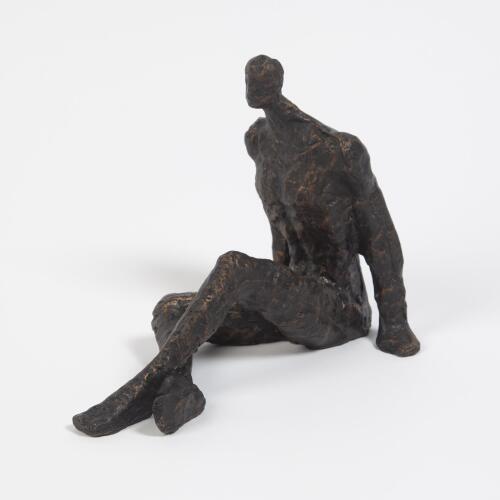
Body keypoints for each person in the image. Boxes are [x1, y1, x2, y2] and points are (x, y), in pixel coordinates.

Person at [73, 55, 419, 437]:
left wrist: (396, 325)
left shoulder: (339, 152)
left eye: (263, 78)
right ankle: (179, 389)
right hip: (289, 302)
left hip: (339, 310)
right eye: (251, 78)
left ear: (278, 83)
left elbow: (381, 238)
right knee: (169, 308)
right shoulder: (258, 142)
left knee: (234, 266)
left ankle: (140, 387)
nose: (256, 84)